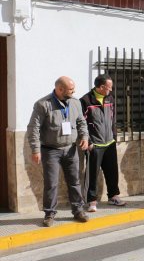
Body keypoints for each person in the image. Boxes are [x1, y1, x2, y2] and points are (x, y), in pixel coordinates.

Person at [27, 76, 90, 227]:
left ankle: (78, 210)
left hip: (71, 150)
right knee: (51, 184)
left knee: (75, 181)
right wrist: (36, 149)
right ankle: (49, 214)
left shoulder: (75, 103)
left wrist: (85, 137)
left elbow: (81, 122)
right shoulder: (43, 104)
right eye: (70, 90)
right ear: (59, 89)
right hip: (50, 151)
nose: (74, 92)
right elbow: (33, 128)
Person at [80, 74, 125, 212]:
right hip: (95, 145)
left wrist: (114, 136)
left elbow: (113, 118)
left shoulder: (110, 98)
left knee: (112, 172)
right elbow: (81, 123)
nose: (110, 90)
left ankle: (113, 196)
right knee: (92, 174)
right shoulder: (86, 101)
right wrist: (89, 141)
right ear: (101, 87)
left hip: (109, 142)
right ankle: (91, 201)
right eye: (109, 87)